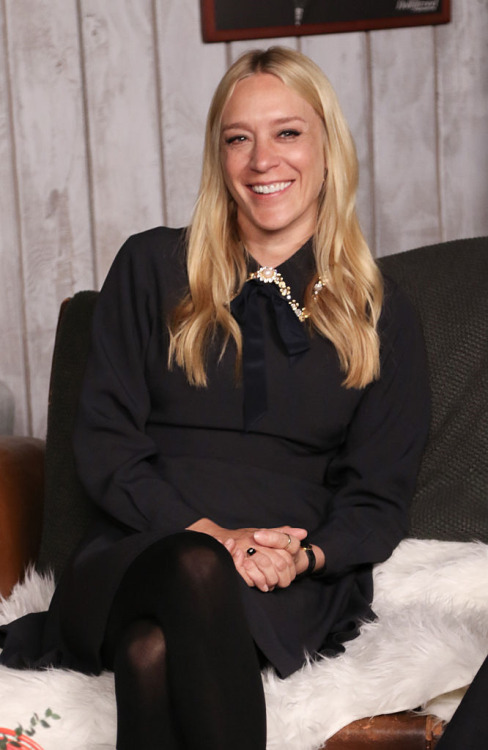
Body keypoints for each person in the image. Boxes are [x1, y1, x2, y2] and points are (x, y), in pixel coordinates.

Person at [0, 47, 430, 749]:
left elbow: (376, 497)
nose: (264, 160)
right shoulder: (149, 266)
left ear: (328, 149)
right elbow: (107, 447)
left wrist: (305, 558)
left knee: (150, 654)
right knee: (191, 567)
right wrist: (213, 536)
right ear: (219, 156)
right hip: (138, 549)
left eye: (288, 133)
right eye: (239, 138)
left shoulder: (382, 312)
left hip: (281, 577)